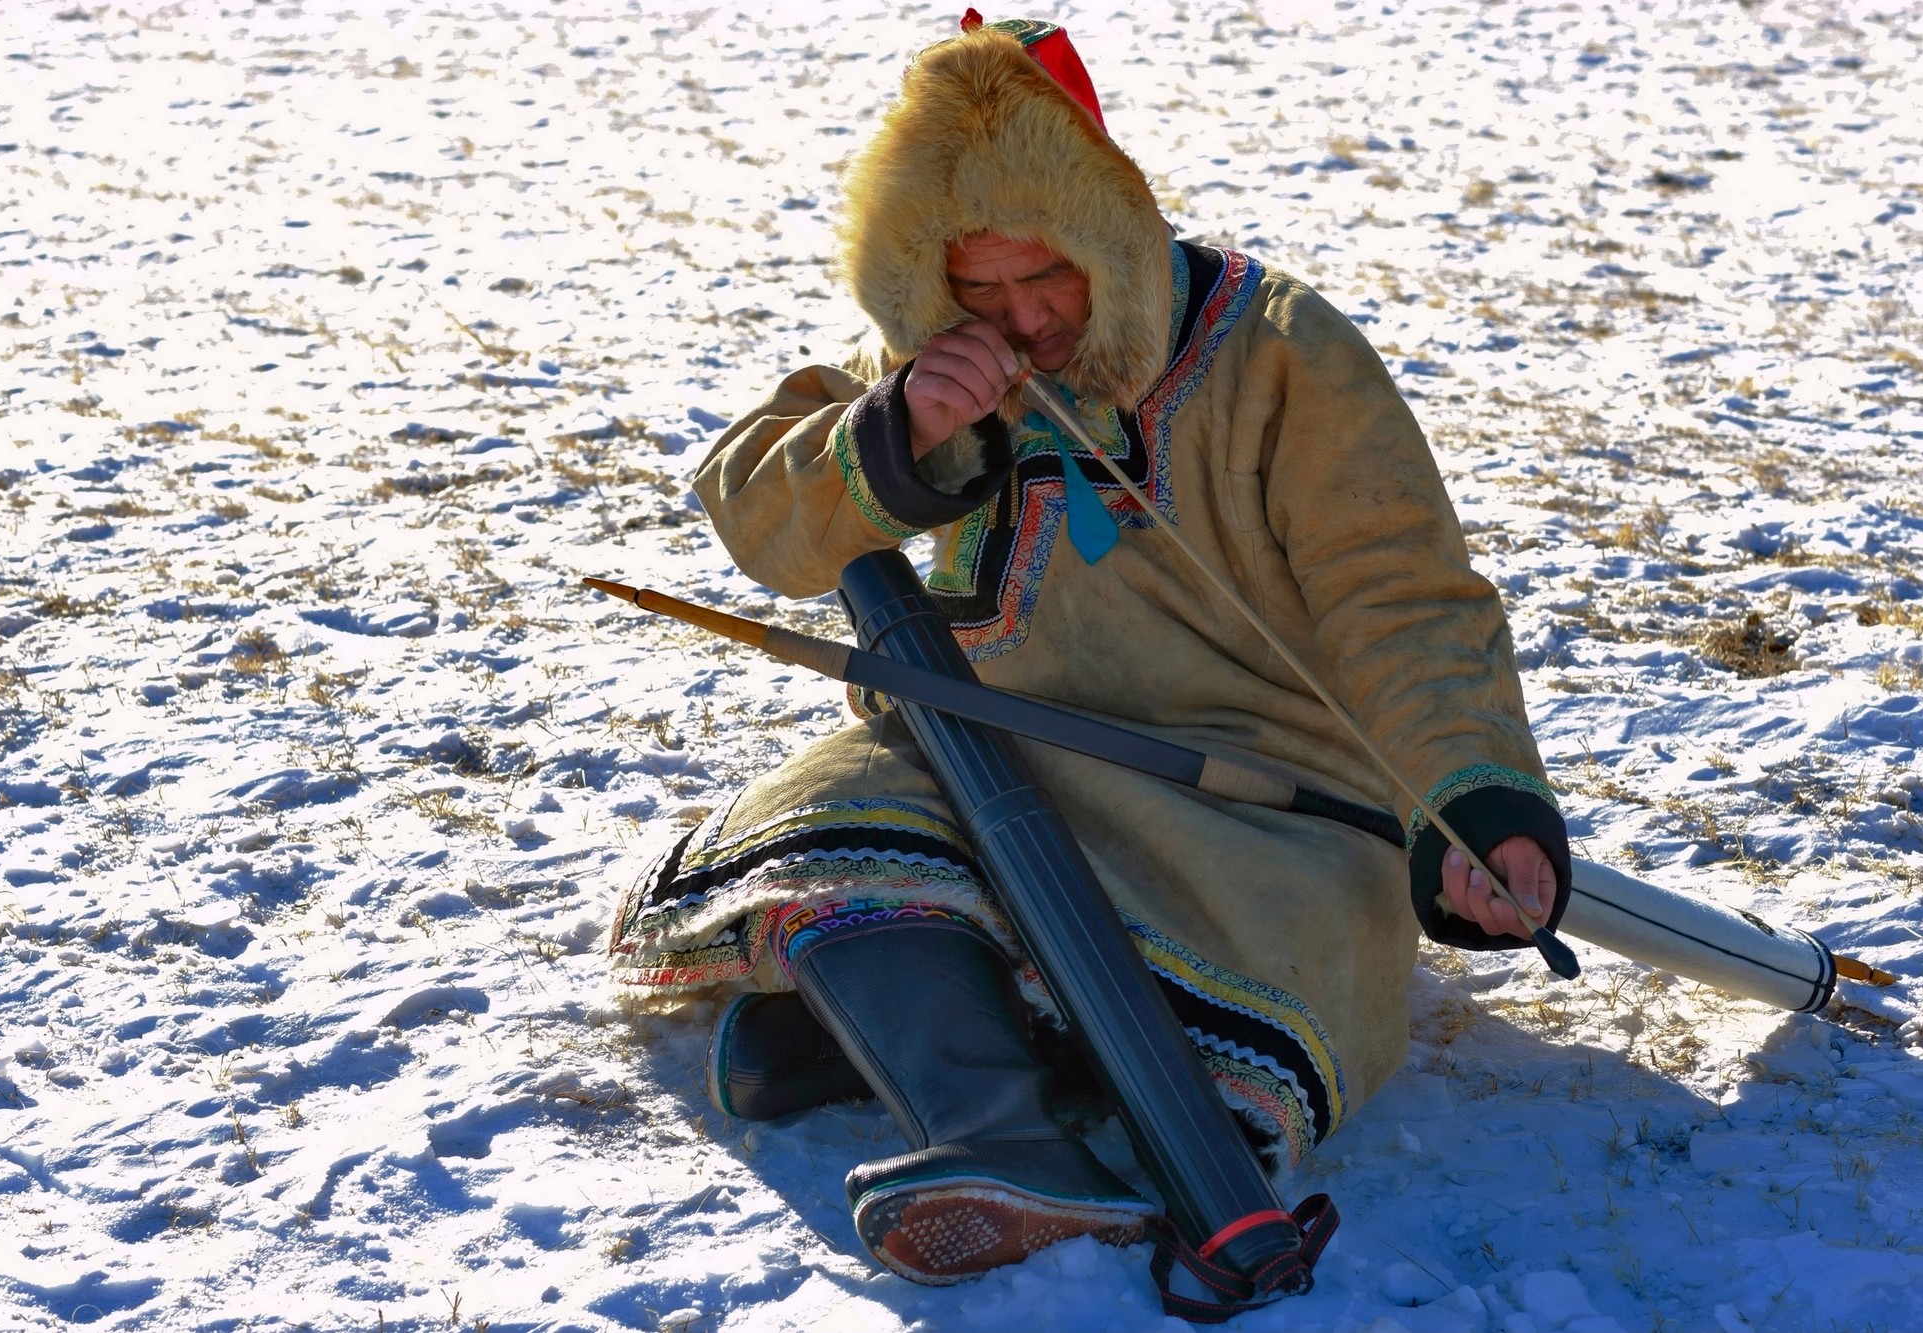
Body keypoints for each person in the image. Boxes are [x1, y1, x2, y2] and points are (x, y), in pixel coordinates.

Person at [609, 13, 1567, 1287]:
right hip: (986, 757)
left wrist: (1475, 796)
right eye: (979, 287)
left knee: (1265, 988)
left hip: (1249, 799)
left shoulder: (1282, 350)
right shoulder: (933, 355)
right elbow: (753, 505)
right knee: (825, 825)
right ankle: (994, 1132)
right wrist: (895, 430)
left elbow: (1401, 599)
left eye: (1046, 278)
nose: (1021, 318)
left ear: (1107, 237)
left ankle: (901, 1034)